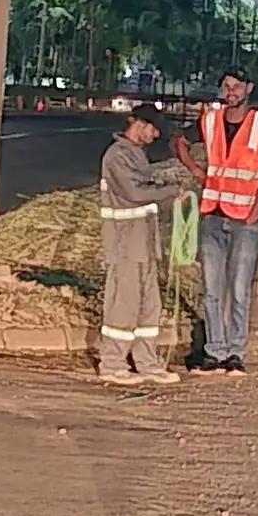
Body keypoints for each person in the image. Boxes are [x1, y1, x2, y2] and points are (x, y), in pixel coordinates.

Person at [172, 68, 258, 377]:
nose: (231, 91)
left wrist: (257, 211)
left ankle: (235, 352)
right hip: (213, 215)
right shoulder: (210, 121)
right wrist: (195, 170)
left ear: (248, 88)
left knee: (239, 288)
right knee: (212, 289)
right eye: (226, 86)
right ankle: (215, 351)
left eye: (236, 86)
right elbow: (179, 141)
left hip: (245, 220)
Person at [95, 105, 188, 386]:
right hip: (125, 242)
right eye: (153, 128)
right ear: (138, 124)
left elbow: (144, 188)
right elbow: (135, 192)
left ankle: (148, 362)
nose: (155, 134)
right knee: (123, 304)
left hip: (144, 242)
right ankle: (112, 362)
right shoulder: (118, 156)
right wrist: (171, 192)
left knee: (149, 305)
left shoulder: (136, 155)